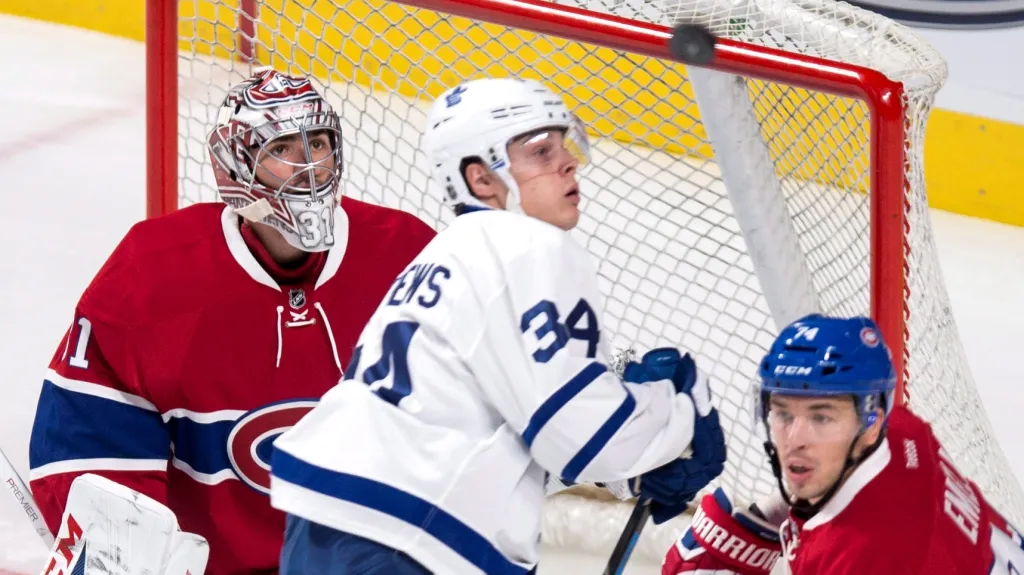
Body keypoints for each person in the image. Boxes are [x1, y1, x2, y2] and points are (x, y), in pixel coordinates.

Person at [268, 77, 728, 575]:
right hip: (408, 536)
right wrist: (679, 410)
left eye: (563, 145)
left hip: (329, 518)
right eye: (540, 152)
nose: (567, 161)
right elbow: (582, 437)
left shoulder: (446, 252)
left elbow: (489, 422)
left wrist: (632, 463)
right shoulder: (530, 245)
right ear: (482, 179)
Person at [27, 68, 436, 575]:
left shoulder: (409, 255)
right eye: (282, 150)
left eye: (319, 143)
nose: (308, 166)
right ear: (234, 167)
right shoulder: (152, 272)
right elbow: (85, 446)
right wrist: (124, 556)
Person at [663, 313, 1024, 575]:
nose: (795, 439)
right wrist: (761, 520)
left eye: (821, 418)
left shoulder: (869, 556)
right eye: (783, 413)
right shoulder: (902, 431)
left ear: (871, 422)